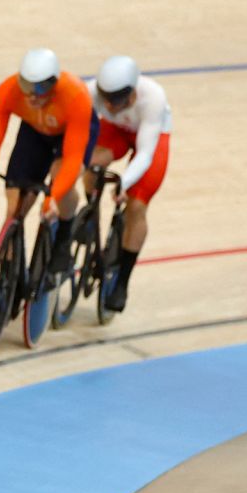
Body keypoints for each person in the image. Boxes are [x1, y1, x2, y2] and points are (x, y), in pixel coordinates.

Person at [0, 48, 96, 274]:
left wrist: (53, 196)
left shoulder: (76, 96)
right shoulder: (9, 91)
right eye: (27, 86)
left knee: (60, 183)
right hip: (35, 131)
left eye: (41, 88)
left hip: (71, 133)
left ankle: (63, 239)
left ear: (55, 83)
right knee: (14, 207)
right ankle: (8, 277)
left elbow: (73, 157)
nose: (33, 95)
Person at [86, 55, 172, 312]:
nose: (110, 107)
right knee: (90, 164)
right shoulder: (91, 92)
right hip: (116, 132)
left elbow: (145, 154)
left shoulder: (153, 97)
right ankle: (89, 213)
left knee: (136, 206)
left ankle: (122, 281)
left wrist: (124, 182)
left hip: (151, 138)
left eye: (118, 101)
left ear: (133, 93)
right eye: (106, 101)